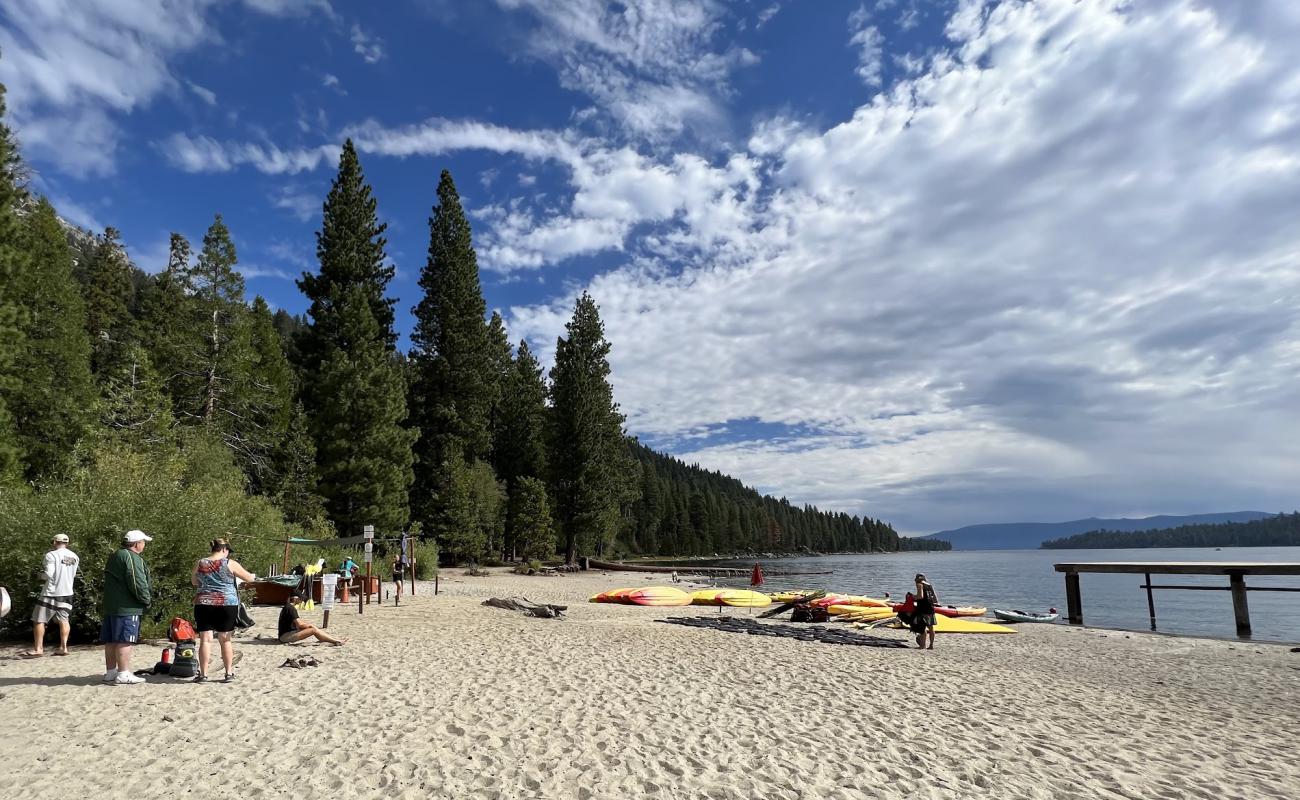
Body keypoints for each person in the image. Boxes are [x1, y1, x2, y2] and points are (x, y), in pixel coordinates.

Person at [191, 538, 257, 683]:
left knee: (205, 640)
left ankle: (203, 675)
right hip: (227, 603)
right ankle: (228, 673)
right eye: (228, 551)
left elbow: (194, 581)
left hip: (204, 603)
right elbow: (249, 578)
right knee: (225, 639)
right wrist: (253, 576)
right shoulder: (230, 563)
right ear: (224, 549)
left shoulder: (200, 562)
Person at [102, 529, 153, 685]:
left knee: (111, 640)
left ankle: (111, 672)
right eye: (143, 542)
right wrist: (146, 600)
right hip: (127, 607)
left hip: (111, 605)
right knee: (125, 640)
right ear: (137, 543)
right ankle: (123, 673)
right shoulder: (131, 557)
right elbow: (137, 581)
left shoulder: (115, 555)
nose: (144, 545)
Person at [22, 534, 80, 658]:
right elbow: (73, 574)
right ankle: (63, 647)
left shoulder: (51, 555)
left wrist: (38, 576)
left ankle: (38, 649)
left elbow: (48, 574)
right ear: (67, 543)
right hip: (67, 592)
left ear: (54, 542)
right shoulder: (75, 556)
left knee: (39, 620)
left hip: (51, 592)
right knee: (63, 619)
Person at [278, 593, 344, 645]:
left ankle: (333, 639)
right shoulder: (291, 608)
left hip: (285, 634)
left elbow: (298, 623)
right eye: (300, 599)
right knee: (313, 630)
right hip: (285, 637)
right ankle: (334, 641)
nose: (302, 601)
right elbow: (300, 624)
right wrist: (310, 626)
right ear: (295, 598)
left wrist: (309, 625)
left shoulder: (288, 607)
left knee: (312, 627)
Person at [914, 573, 938, 650]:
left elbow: (920, 596)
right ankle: (931, 645)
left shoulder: (919, 584)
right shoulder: (929, 585)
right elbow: (935, 599)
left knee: (922, 627)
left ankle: (922, 645)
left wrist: (913, 597)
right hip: (930, 607)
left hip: (922, 608)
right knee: (931, 628)